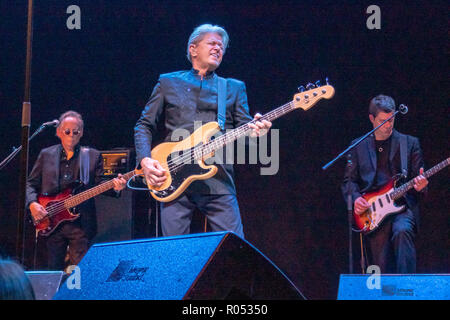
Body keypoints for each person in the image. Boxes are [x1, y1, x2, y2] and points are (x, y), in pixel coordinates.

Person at [134, 24, 271, 238]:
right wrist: (145, 159)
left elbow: (247, 138)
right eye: (213, 43)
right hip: (172, 177)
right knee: (174, 254)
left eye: (222, 46)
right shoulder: (168, 82)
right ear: (193, 49)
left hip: (218, 181)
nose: (218, 49)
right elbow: (143, 125)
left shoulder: (233, 87)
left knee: (234, 249)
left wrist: (258, 133)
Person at [26, 111, 127, 270]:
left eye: (76, 131)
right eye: (67, 131)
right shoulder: (46, 154)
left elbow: (100, 184)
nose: (71, 135)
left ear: (82, 133)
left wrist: (116, 187)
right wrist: (32, 204)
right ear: (58, 132)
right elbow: (31, 184)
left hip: (81, 224)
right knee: (51, 273)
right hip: (50, 223)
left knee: (81, 273)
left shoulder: (92, 156)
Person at [342, 95, 428, 273]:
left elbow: (419, 181)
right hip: (372, 211)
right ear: (371, 119)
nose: (388, 125)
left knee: (402, 231)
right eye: (383, 121)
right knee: (378, 266)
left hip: (402, 207)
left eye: (391, 120)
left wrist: (421, 186)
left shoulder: (409, 143)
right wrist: (356, 198)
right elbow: (349, 181)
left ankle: (407, 289)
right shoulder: (357, 146)